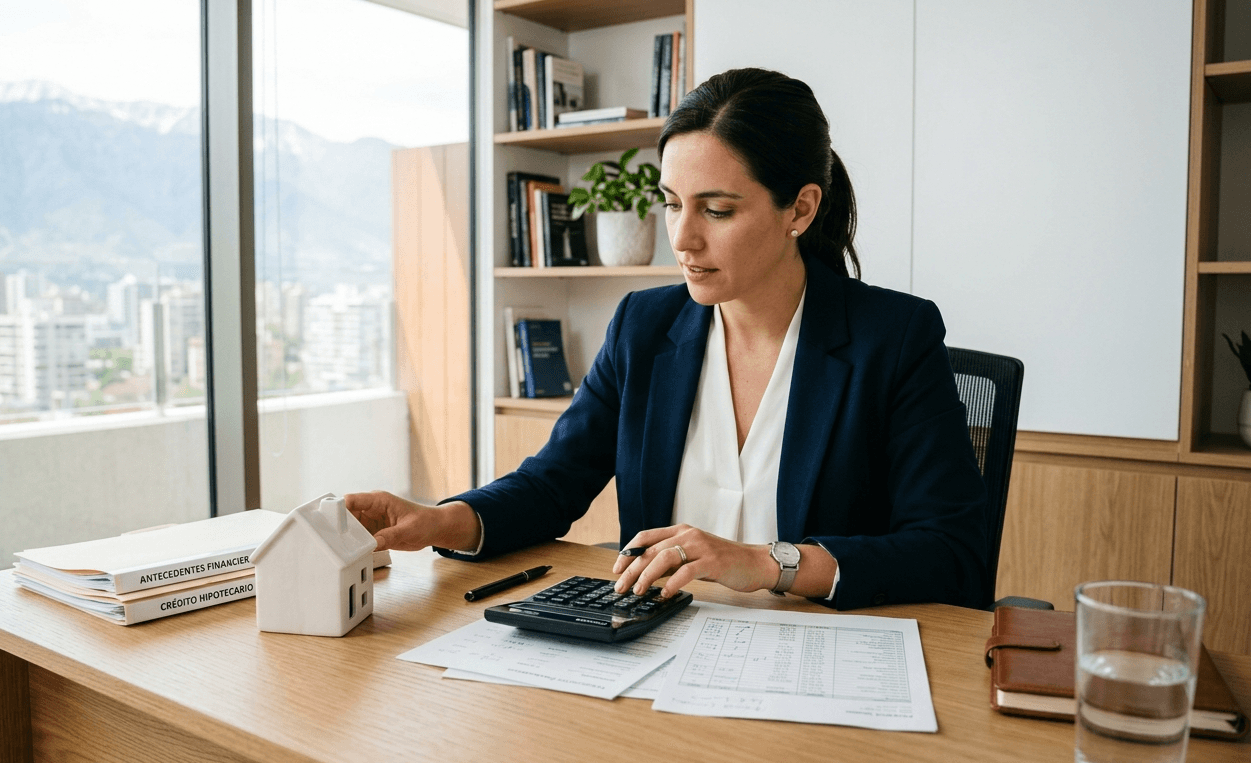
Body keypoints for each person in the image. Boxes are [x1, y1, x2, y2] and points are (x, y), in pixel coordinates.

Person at [347, 68, 988, 611]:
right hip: (657, 647)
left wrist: (767, 563)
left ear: (800, 208)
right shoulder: (643, 326)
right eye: (673, 203)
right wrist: (438, 520)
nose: (682, 240)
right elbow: (552, 485)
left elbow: (951, 552)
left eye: (717, 210)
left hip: (824, 659)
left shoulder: (894, 337)